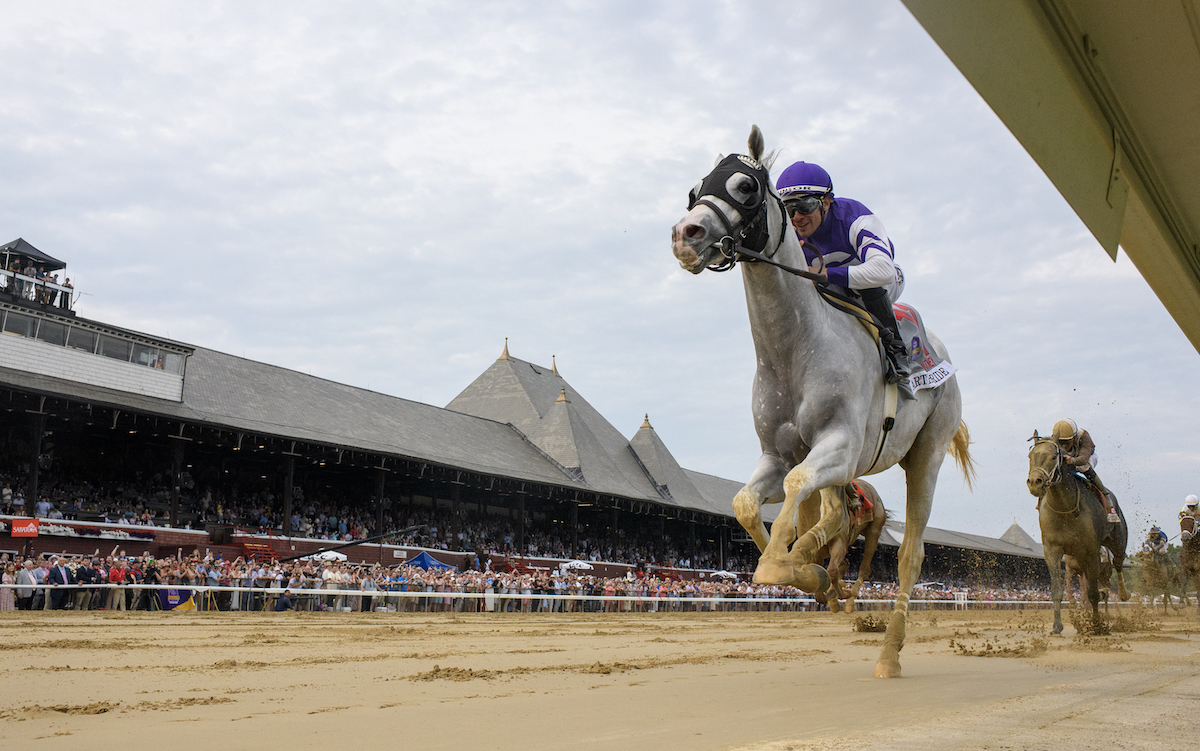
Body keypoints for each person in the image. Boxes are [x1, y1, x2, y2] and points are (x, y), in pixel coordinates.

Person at [775, 161, 910, 387]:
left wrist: (826, 273)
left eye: (805, 206)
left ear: (826, 203)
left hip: (885, 282)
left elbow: (884, 271)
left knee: (864, 283)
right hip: (836, 289)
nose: (797, 217)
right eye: (789, 209)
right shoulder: (789, 232)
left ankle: (896, 348)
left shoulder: (854, 217)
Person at [1051, 419, 1121, 524]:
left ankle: (1107, 499)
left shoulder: (1083, 437)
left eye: (1067, 442)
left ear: (1074, 438)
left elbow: (1083, 458)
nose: (1064, 447)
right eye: (1061, 443)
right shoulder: (1053, 440)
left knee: (1084, 466)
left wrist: (1073, 460)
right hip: (1069, 459)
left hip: (1087, 457)